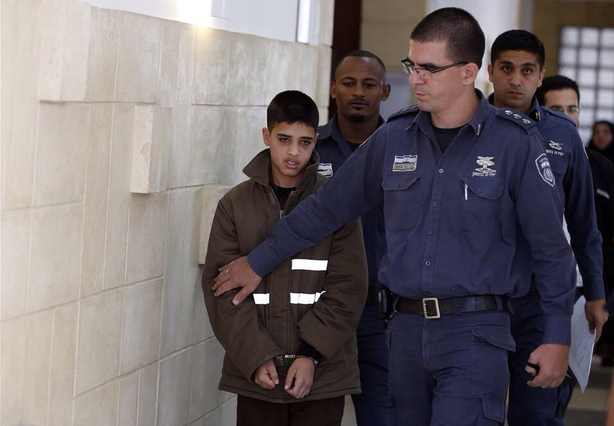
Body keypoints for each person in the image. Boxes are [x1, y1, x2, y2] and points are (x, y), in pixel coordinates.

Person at [212, 8, 575, 426]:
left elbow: (552, 249)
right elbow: (326, 208)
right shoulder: (394, 137)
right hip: (404, 333)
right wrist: (258, 261)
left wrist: (557, 335)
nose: (415, 78)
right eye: (411, 65)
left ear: (468, 72)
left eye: (429, 69)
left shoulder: (515, 144)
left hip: (475, 333)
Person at [201, 90, 368, 426]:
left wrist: (310, 356)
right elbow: (221, 289)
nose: (294, 152)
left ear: (316, 140)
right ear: (267, 136)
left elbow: (348, 288)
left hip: (322, 376)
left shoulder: (335, 205)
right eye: (284, 139)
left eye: (304, 142)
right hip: (257, 376)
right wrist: (256, 356)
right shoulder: (234, 205)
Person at [488, 32, 606, 426]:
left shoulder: (562, 134)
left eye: (527, 71)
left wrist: (595, 293)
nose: (515, 80)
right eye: (506, 68)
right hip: (478, 296)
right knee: (473, 409)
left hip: (541, 298)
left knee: (537, 411)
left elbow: (584, 222)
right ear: (490, 71)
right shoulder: (466, 125)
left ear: (540, 76)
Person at [316, 49, 395, 426]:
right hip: (320, 308)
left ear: (385, 91)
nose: (358, 92)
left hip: (384, 313)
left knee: (383, 417)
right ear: (334, 89)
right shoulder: (311, 148)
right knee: (315, 415)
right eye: (349, 83)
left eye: (368, 84)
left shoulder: (405, 148)